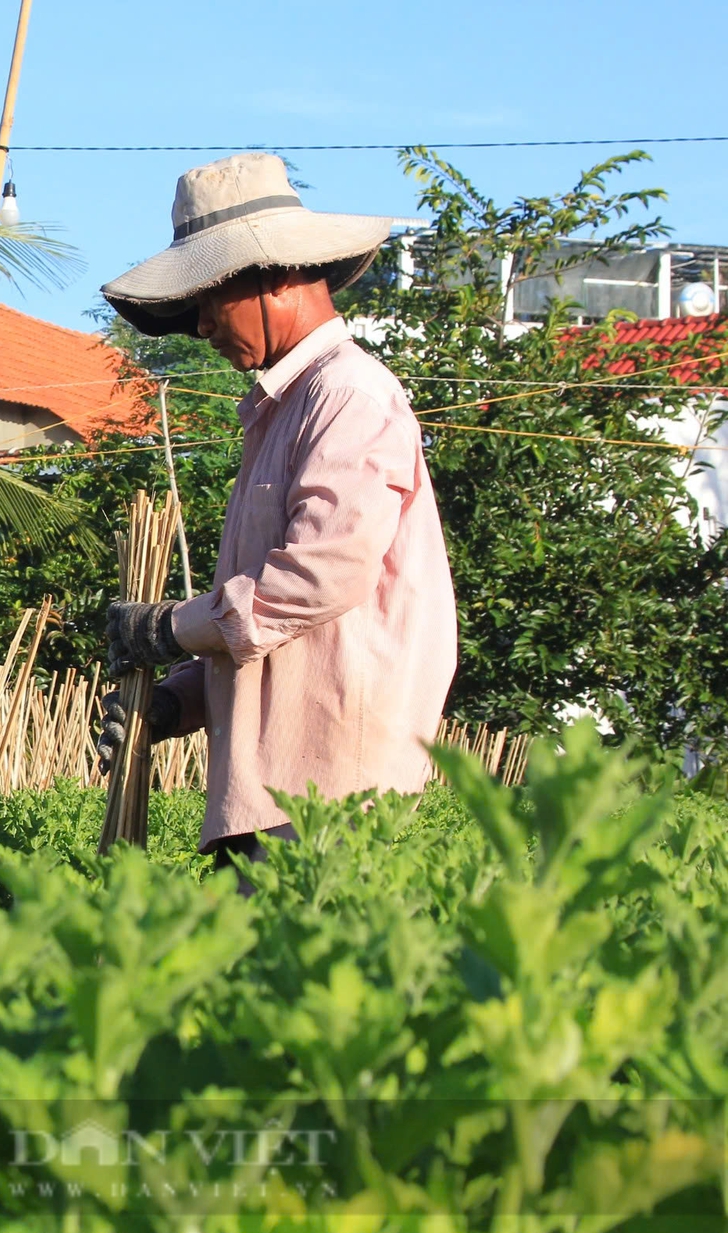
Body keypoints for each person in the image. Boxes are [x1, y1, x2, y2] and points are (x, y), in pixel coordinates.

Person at [93, 152, 457, 881]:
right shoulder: (282, 410)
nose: (200, 325)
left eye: (208, 299)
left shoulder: (348, 395)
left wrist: (166, 629)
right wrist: (175, 701)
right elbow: (278, 633)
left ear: (277, 277)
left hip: (328, 798)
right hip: (277, 791)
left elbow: (318, 581)